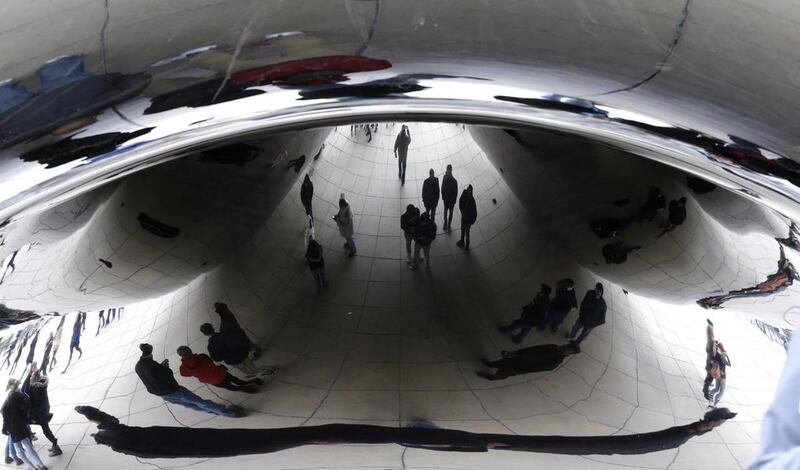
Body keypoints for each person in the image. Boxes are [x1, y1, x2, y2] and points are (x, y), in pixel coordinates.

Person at [135, 344, 241, 417]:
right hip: (172, 390)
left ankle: (215, 411)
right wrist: (165, 367)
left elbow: (150, 377)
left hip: (159, 393)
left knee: (191, 405)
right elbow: (167, 375)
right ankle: (230, 413)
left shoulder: (138, 366)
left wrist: (161, 369)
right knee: (199, 402)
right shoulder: (154, 366)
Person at [200, 302, 274, 376]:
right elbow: (238, 341)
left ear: (205, 334)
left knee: (248, 371)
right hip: (242, 354)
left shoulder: (211, 345)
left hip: (233, 360)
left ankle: (268, 369)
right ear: (212, 327)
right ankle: (265, 369)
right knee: (251, 366)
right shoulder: (225, 333)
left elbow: (217, 358)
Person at [2, 378, 47, 470]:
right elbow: (26, 408)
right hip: (21, 426)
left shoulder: (9, 398)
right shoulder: (21, 395)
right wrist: (25, 420)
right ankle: (41, 465)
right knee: (29, 447)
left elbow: (4, 414)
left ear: (10, 387)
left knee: (19, 450)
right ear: (17, 386)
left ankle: (31, 467)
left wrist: (4, 428)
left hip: (12, 429)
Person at [177, 346, 262, 394]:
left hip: (214, 381)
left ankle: (248, 389)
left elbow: (184, 374)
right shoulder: (202, 357)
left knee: (231, 387)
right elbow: (211, 362)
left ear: (181, 356)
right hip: (221, 373)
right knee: (236, 380)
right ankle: (253, 382)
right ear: (190, 350)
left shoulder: (183, 369)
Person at [477, 343, 579, 380]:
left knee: (503, 373)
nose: (564, 346)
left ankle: (491, 377)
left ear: (568, 354)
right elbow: (533, 348)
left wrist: (520, 369)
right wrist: (515, 353)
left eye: (567, 348)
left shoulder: (555, 362)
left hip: (521, 366)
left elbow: (535, 368)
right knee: (501, 362)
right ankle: (490, 364)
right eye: (566, 345)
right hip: (520, 358)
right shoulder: (553, 346)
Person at [24, 368, 61, 456]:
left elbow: (33, 403)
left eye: (31, 376)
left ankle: (56, 446)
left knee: (45, 430)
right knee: (46, 429)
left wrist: (32, 417)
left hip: (40, 414)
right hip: (44, 410)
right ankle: (55, 445)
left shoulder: (35, 389)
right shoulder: (42, 384)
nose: (30, 377)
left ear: (35, 377)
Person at [567, 283, 606, 350]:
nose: (597, 292)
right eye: (596, 290)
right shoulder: (590, 293)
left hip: (590, 324)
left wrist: (592, 325)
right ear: (595, 289)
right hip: (582, 318)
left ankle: (577, 343)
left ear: (602, 292)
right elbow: (583, 302)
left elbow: (602, 320)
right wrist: (581, 313)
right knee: (575, 328)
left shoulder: (602, 305)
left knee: (584, 334)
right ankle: (571, 336)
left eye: (599, 291)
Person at [703, 319, 731, 409]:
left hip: (717, 373)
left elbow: (710, 336)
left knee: (717, 389)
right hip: (720, 374)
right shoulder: (717, 354)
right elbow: (727, 363)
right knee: (721, 390)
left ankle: (712, 403)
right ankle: (712, 403)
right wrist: (723, 354)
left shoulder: (714, 351)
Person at [457, 185, 477, 251]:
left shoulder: (471, 200)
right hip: (465, 217)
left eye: (469, 190)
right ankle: (463, 241)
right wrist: (462, 210)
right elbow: (460, 202)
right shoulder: (467, 197)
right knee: (463, 230)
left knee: (466, 231)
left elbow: (474, 212)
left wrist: (471, 221)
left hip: (467, 219)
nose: (468, 191)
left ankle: (466, 244)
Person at [441, 164, 458, 231]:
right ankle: (446, 224)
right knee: (447, 213)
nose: (448, 171)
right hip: (447, 200)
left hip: (449, 200)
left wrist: (453, 200)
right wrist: (443, 196)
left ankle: (448, 224)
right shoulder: (447, 178)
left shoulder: (453, 181)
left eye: (449, 170)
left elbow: (455, 192)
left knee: (449, 213)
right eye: (448, 170)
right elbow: (442, 187)